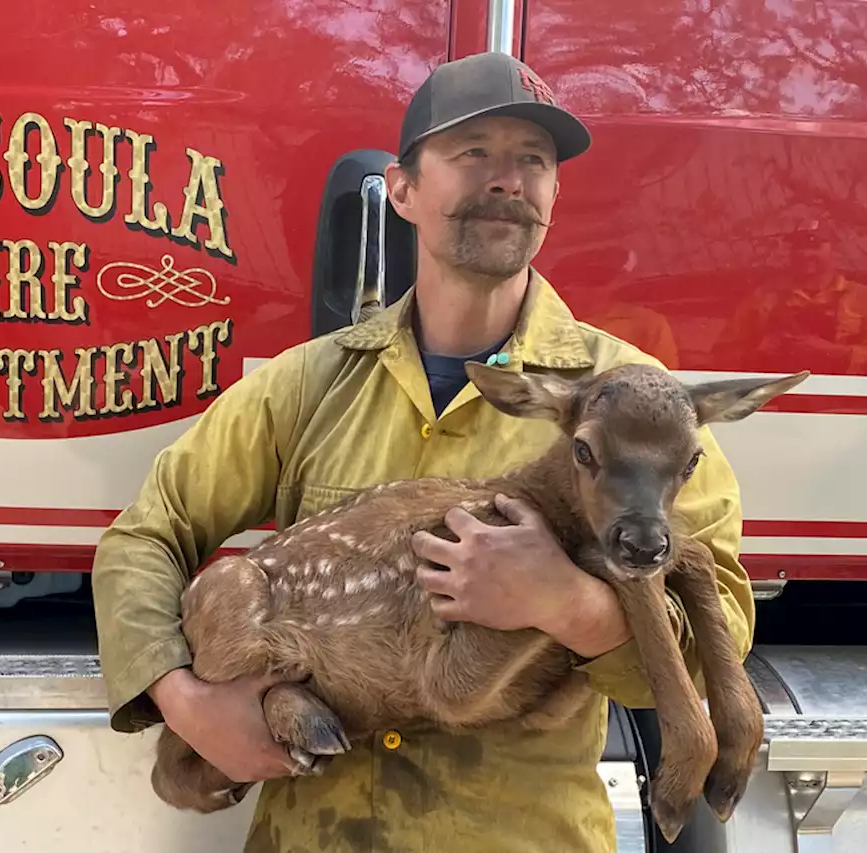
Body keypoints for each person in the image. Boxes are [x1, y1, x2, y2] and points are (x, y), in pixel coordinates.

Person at [91, 51, 755, 853]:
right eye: (473, 152)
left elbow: (714, 631)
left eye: (532, 161)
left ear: (553, 196)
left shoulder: (638, 407)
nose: (506, 179)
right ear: (401, 190)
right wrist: (189, 700)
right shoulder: (309, 384)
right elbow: (144, 538)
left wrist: (566, 604)